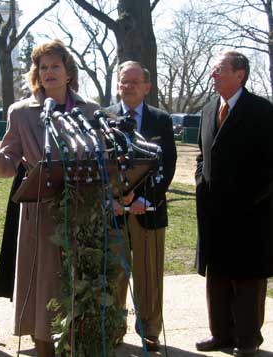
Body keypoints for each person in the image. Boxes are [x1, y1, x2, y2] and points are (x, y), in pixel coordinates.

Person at [0, 39, 100, 357]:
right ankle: (45, 349)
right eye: (42, 67)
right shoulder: (21, 113)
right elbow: (8, 164)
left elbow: (103, 158)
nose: (48, 72)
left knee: (81, 286)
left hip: (82, 214)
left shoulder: (90, 111)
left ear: (68, 71)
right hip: (40, 216)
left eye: (55, 66)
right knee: (45, 291)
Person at [194, 51, 273, 357]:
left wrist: (249, 199)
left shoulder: (262, 111)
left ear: (240, 74)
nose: (213, 75)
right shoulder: (209, 108)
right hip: (213, 212)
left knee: (248, 278)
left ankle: (248, 339)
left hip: (250, 213)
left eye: (219, 70)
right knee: (217, 276)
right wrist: (202, 182)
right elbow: (203, 154)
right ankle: (221, 335)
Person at [107, 60, 177, 351]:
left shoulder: (161, 120)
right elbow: (101, 164)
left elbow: (168, 164)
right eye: (124, 81)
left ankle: (149, 330)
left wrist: (144, 199)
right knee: (114, 275)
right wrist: (114, 199)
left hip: (149, 211)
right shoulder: (104, 118)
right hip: (114, 212)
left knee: (149, 276)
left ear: (147, 87)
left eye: (135, 81)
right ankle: (113, 327)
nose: (129, 86)